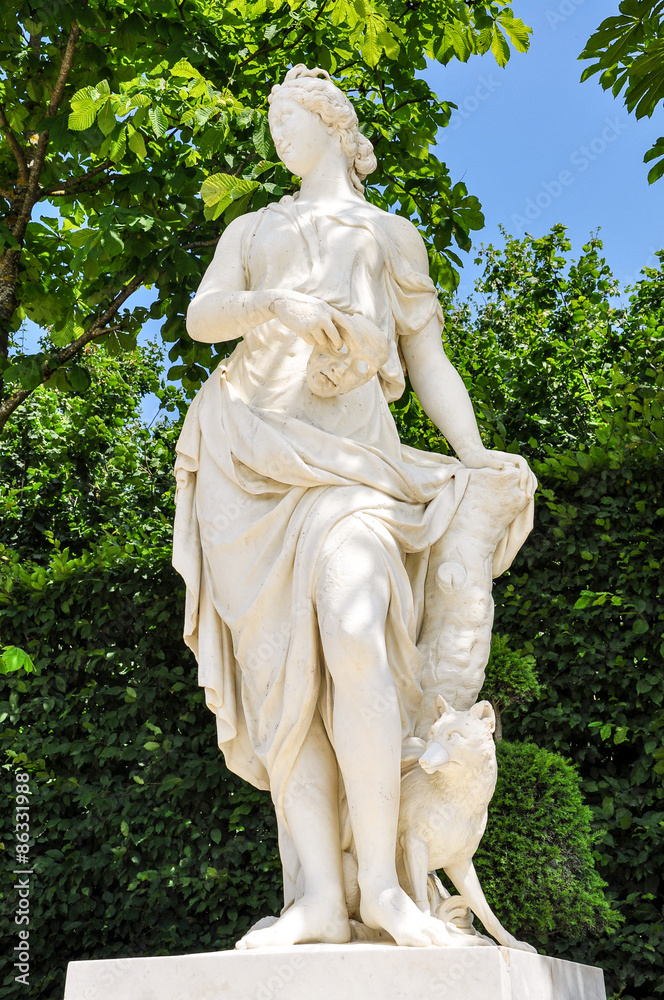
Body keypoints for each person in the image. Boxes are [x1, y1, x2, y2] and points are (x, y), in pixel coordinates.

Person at [173, 65, 536, 950]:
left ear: (332, 124)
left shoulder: (387, 236)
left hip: (354, 469)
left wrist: (475, 452)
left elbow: (428, 361)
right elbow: (202, 317)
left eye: (288, 117)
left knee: (355, 628)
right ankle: (318, 902)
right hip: (246, 459)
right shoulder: (254, 228)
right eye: (271, 121)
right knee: (279, 682)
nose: (276, 135)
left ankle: (383, 888)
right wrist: (278, 305)